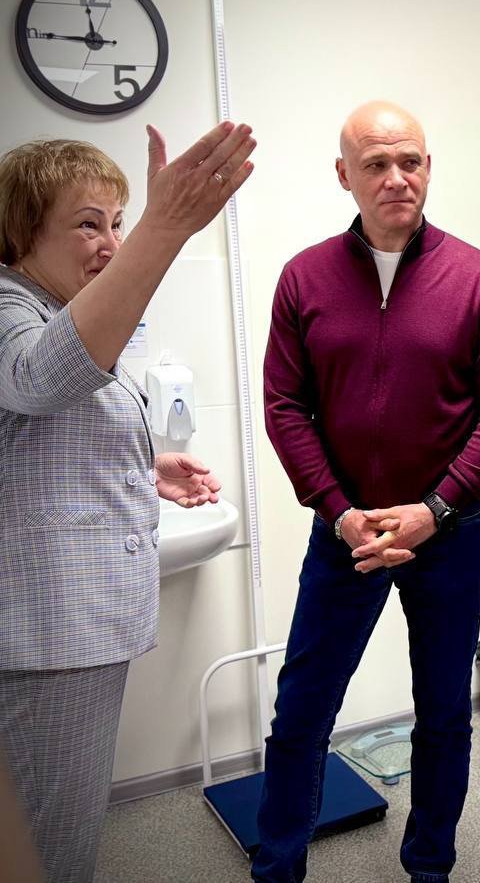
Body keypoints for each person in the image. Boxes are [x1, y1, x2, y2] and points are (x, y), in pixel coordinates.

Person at [254, 101, 480, 883]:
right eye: (376, 164)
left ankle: (429, 866)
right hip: (345, 532)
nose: (397, 177)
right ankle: (278, 867)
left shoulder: (476, 277)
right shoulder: (305, 277)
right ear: (344, 175)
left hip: (448, 532)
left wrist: (435, 508)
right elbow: (285, 405)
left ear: (429, 167)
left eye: (410, 161)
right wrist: (339, 512)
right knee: (302, 710)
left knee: (443, 712)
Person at [0, 123, 254, 882]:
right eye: (89, 224)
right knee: (49, 839)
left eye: (118, 222)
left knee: (57, 820)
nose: (111, 243)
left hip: (66, 631)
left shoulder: (50, 307)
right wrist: (163, 227)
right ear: (22, 230)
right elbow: (41, 379)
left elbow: (32, 450)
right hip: (46, 637)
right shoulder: (8, 305)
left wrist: (145, 471)